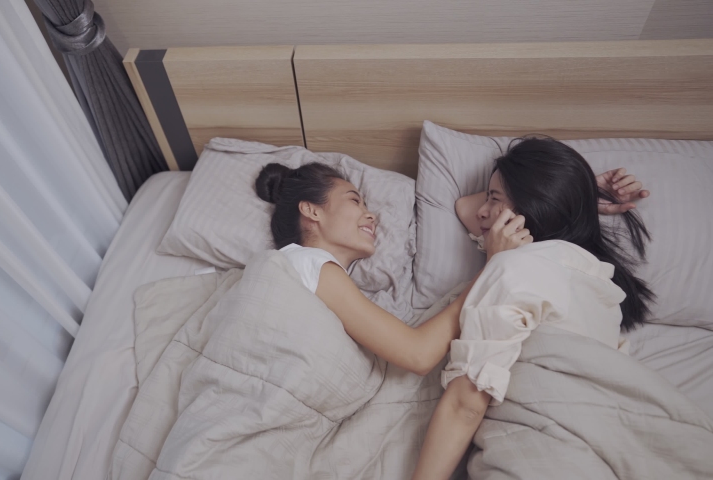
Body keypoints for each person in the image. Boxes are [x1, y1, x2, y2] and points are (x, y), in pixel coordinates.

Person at [253, 155, 646, 380]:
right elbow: (417, 355)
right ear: (311, 211)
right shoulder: (306, 263)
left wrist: (569, 195)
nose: (371, 215)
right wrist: (491, 269)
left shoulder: (316, 275)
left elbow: (468, 209)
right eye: (355, 200)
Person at [410, 137, 654, 480]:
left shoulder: (514, 268)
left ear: (535, 204)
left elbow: (466, 405)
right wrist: (577, 193)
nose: (482, 210)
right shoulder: (597, 277)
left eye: (493, 198)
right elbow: (467, 208)